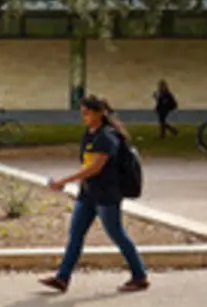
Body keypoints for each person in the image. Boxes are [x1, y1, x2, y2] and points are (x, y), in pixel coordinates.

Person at [39, 94, 149, 294]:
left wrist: (64, 181)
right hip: (88, 194)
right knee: (75, 235)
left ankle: (139, 276)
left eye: (87, 113)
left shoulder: (107, 137)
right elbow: (87, 163)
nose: (84, 117)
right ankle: (62, 278)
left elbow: (95, 167)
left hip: (106, 195)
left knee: (117, 234)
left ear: (99, 113)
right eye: (82, 113)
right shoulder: (90, 134)